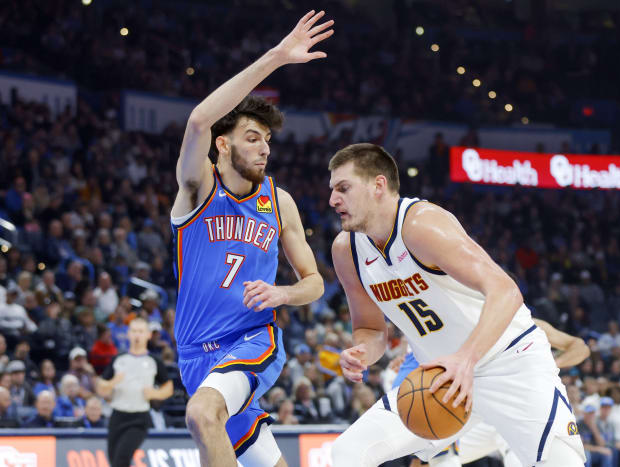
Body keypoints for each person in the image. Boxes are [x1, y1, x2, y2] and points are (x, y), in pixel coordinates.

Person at [327, 143, 586, 467]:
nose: (332, 200)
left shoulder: (421, 225)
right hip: (441, 380)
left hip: (508, 365)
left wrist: (466, 358)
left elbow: (506, 291)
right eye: (332, 190)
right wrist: (363, 352)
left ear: (378, 185)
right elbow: (369, 327)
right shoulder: (346, 250)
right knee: (348, 453)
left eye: (343, 188)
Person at [170, 10, 331, 467]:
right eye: (253, 137)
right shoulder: (198, 188)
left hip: (251, 339)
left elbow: (314, 282)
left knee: (202, 414)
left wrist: (283, 292)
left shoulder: (280, 203)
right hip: (194, 354)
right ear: (223, 145)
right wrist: (277, 58)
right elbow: (200, 120)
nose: (265, 148)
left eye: (268, 141)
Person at [394, 318, 591, 466]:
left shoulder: (528, 324)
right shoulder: (466, 321)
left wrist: (554, 363)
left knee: (524, 459)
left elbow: (580, 347)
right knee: (426, 456)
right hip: (475, 412)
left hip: (517, 410)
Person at [96, 317, 173, 467]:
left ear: (148, 335)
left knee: (121, 459)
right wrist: (113, 382)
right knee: (114, 461)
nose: (137, 335)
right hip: (117, 416)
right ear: (128, 334)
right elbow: (101, 387)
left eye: (141, 331)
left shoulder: (154, 361)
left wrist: (155, 394)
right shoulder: (118, 359)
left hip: (139, 418)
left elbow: (168, 388)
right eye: (134, 331)